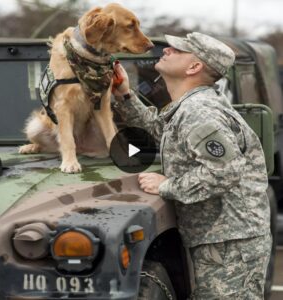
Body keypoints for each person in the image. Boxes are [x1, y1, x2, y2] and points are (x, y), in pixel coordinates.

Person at [112, 32, 272, 299]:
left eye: (177, 49)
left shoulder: (199, 111)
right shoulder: (189, 107)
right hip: (222, 238)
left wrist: (168, 185)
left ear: (194, 67)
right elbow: (161, 129)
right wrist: (126, 94)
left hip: (230, 242)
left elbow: (224, 171)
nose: (166, 50)